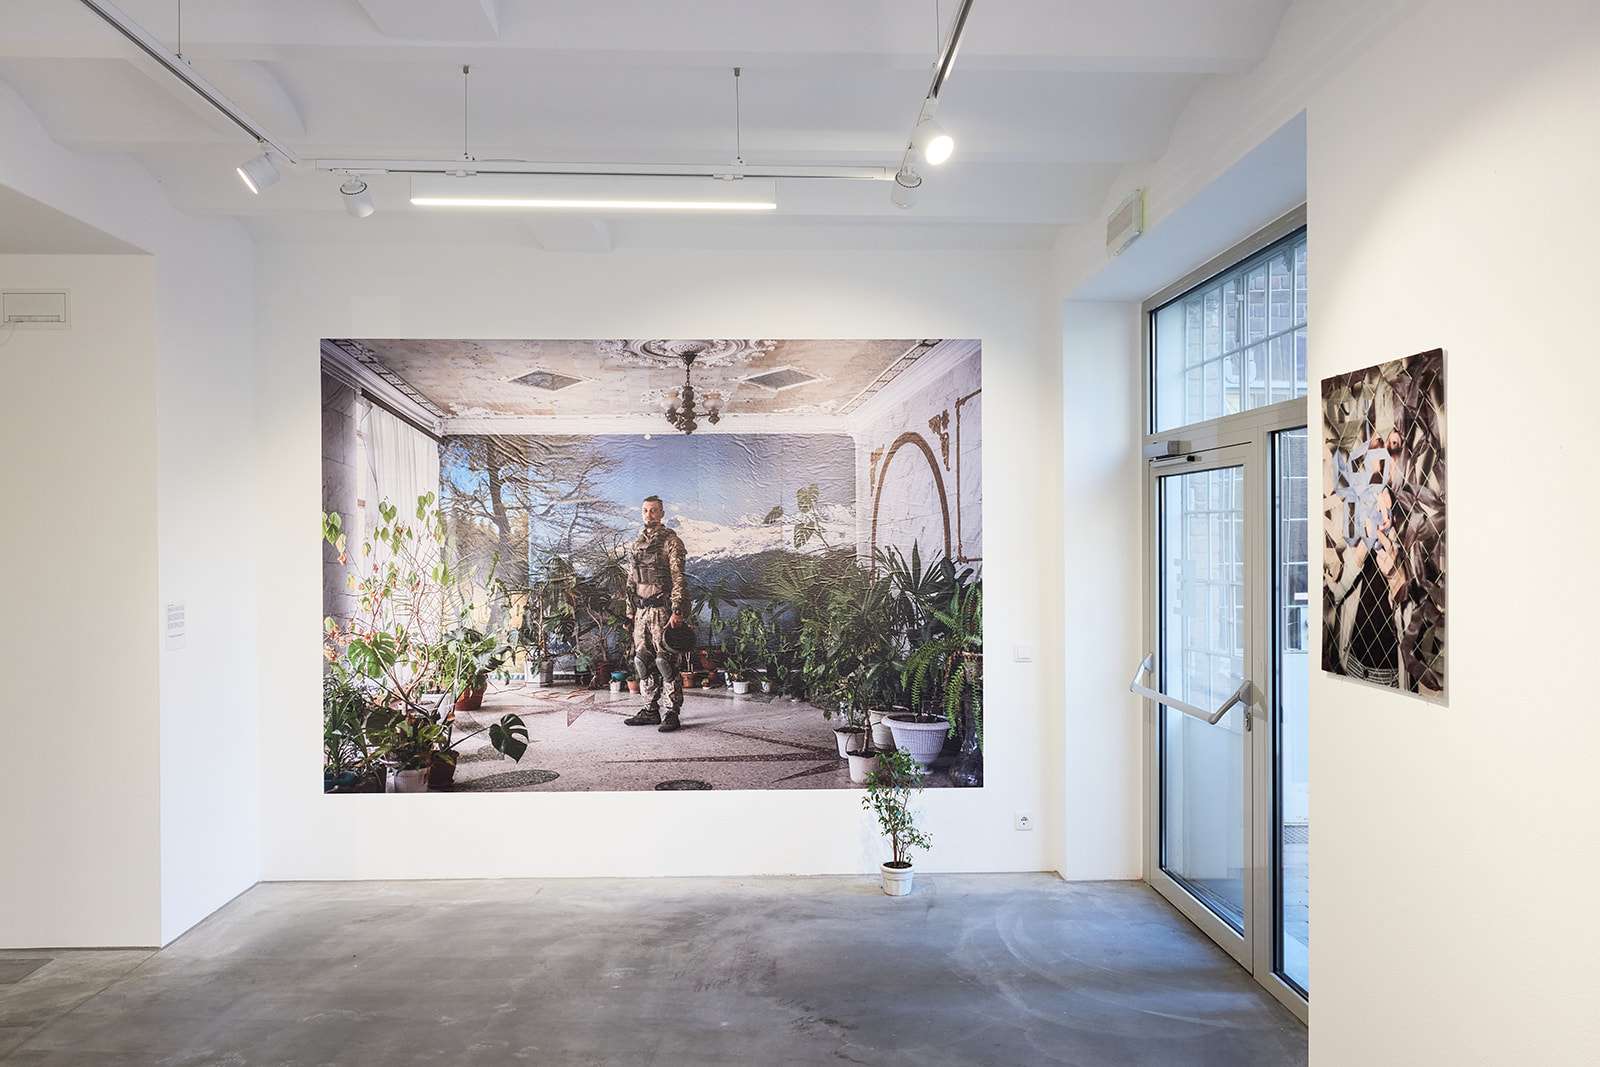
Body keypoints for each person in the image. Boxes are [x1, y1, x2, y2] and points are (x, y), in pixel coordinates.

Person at [622, 495, 691, 732]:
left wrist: (677, 611)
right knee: (642, 661)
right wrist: (629, 612)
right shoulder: (636, 545)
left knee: (665, 661)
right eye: (645, 511)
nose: (649, 515)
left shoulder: (672, 542)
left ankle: (671, 712)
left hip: (663, 611)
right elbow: (631, 579)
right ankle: (650, 709)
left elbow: (678, 578)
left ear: (662, 513)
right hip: (641, 612)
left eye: (653, 511)